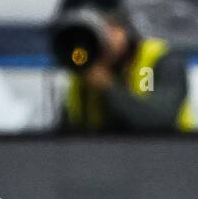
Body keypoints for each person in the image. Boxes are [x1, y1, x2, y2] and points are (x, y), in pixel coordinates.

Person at [59, 11, 193, 132]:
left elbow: (159, 119)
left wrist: (109, 86)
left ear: (123, 30)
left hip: (169, 153)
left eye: (109, 29)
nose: (103, 40)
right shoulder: (84, 74)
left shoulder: (157, 59)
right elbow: (67, 136)